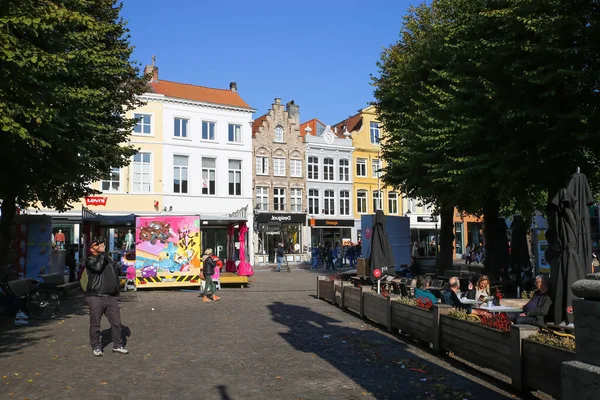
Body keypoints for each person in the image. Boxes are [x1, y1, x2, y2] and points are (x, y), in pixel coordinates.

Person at [85, 238, 128, 356]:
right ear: (91, 248)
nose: (99, 246)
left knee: (117, 323)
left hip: (110, 296)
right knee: (95, 323)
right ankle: (96, 346)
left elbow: (115, 271)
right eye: (96, 245)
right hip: (96, 296)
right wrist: (102, 253)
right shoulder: (90, 260)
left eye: (101, 244)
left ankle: (118, 345)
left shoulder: (106, 258)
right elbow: (97, 268)